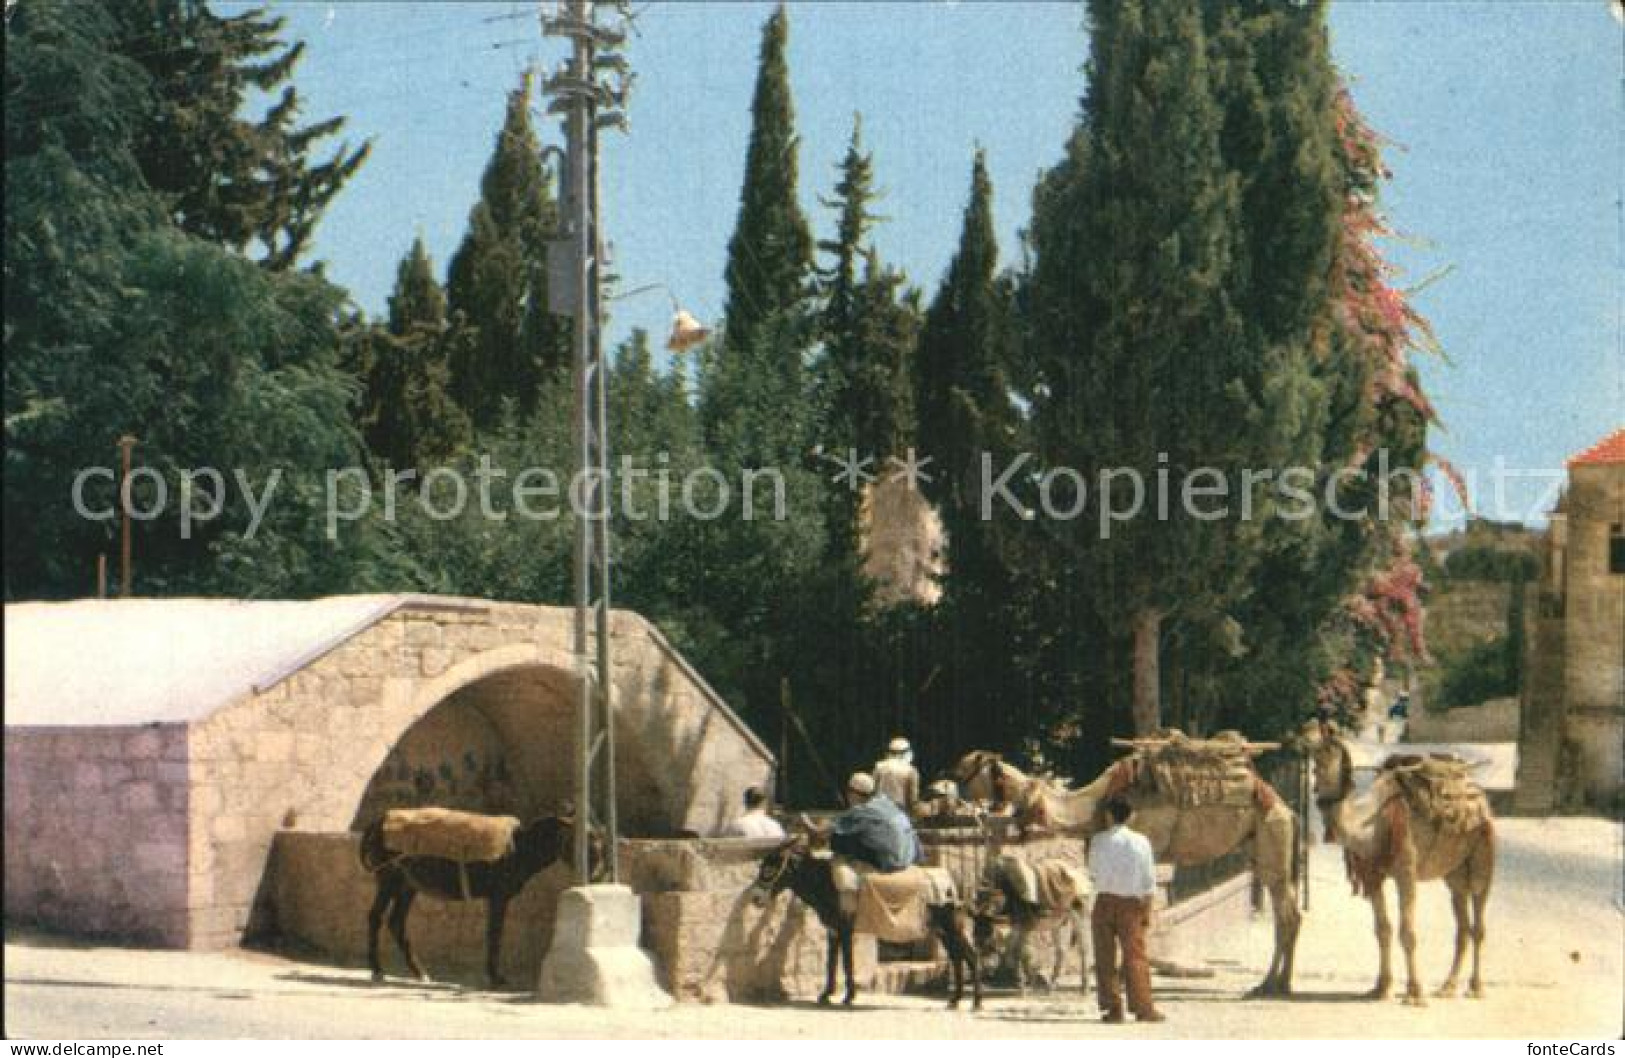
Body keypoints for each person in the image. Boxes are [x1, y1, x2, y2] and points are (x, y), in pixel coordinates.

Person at [1087, 797, 1165, 1024]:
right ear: (1130, 816)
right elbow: (1149, 881)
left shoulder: (1098, 841)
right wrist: (1147, 909)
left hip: (1103, 902)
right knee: (1135, 957)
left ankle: (1112, 1009)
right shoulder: (1141, 842)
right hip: (1131, 905)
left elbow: (1093, 872)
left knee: (1104, 957)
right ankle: (1143, 1008)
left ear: (1109, 815)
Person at [829, 771, 921, 872]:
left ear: (852, 793)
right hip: (908, 860)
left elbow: (826, 831)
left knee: (839, 839)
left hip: (890, 863)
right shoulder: (888, 803)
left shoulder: (862, 810)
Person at [873, 736, 921, 816]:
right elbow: (913, 800)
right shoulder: (911, 770)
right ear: (906, 752)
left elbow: (872, 791)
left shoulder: (878, 766)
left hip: (879, 811)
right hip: (899, 813)